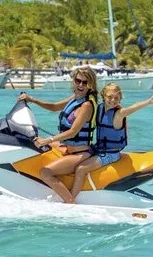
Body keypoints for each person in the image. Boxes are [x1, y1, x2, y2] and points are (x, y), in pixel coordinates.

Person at [70, 83, 153, 200]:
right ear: (103, 96)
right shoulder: (99, 108)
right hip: (97, 148)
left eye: (116, 98)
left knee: (81, 169)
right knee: (72, 153)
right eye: (110, 97)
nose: (113, 100)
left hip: (110, 154)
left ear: (120, 99)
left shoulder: (119, 114)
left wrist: (149, 101)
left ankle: (70, 199)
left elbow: (134, 107)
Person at [17, 67, 98, 203]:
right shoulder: (75, 98)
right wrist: (32, 100)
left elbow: (73, 132)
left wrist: (48, 140)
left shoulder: (86, 105)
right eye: (78, 81)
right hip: (68, 148)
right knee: (34, 143)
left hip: (80, 154)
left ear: (91, 85)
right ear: (73, 81)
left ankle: (69, 201)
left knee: (45, 172)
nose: (80, 85)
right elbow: (54, 106)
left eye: (85, 82)